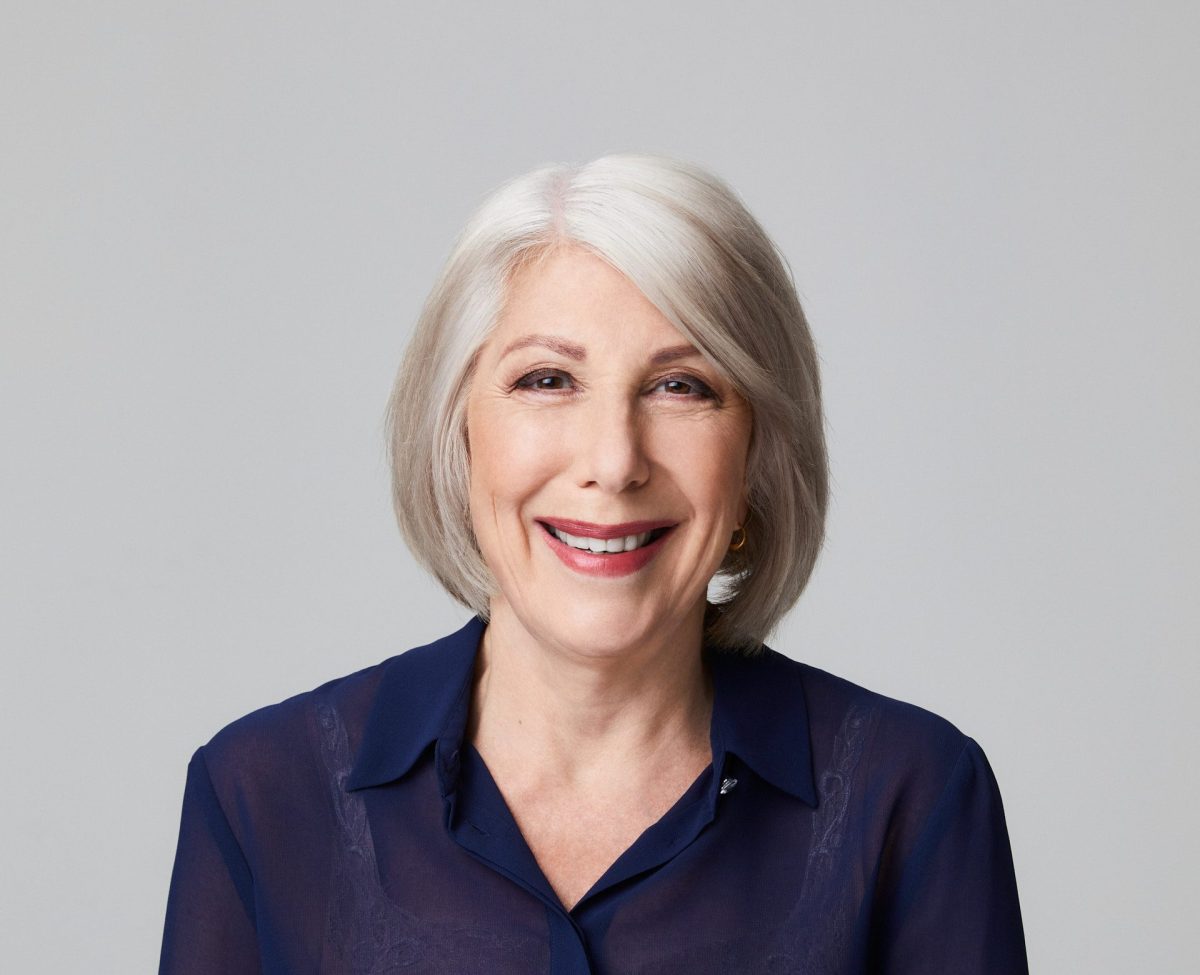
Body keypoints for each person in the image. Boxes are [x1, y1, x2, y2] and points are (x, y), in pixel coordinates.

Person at [159, 155, 1028, 974]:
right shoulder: (263, 795)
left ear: (757, 450)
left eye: (682, 385)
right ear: (458, 435)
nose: (614, 462)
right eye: (546, 380)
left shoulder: (910, 798)